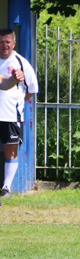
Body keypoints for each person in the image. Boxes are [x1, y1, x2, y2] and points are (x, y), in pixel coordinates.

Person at [0, 28, 38, 200]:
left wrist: (17, 101)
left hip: (11, 115)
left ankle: (6, 187)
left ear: (13, 43)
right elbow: (5, 82)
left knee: (10, 150)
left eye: (7, 42)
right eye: (1, 42)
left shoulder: (21, 62)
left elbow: (32, 89)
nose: (4, 45)